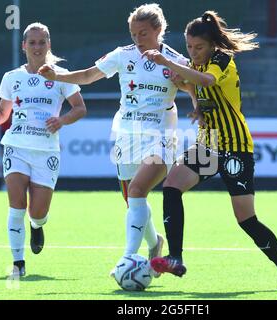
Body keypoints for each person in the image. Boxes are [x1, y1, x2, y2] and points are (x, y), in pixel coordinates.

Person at [142, 11, 277, 291]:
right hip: (208, 144)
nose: (193, 52)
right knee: (171, 186)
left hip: (235, 148)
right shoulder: (196, 62)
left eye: (198, 47)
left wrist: (167, 62)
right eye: (190, 47)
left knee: (246, 220)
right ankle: (175, 257)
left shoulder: (221, 59)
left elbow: (207, 82)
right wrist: (195, 105)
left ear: (212, 45)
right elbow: (195, 86)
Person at [38, 3, 191, 276]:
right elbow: (88, 75)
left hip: (161, 136)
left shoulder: (175, 61)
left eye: (143, 33)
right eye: (133, 34)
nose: (137, 39)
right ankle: (155, 243)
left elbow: (193, 87)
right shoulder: (123, 55)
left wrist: (198, 105)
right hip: (127, 134)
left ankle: (128, 258)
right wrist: (57, 75)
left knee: (137, 191)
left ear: (159, 30)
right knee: (133, 199)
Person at [0, 22, 87, 278]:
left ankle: (37, 225)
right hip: (16, 146)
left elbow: (80, 108)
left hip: (46, 152)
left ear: (49, 44)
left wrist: (62, 120)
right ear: (24, 46)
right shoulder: (12, 77)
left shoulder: (61, 75)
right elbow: (2, 115)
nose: (37, 47)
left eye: (42, 42)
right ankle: (18, 263)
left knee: (37, 211)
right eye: (32, 42)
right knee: (16, 205)